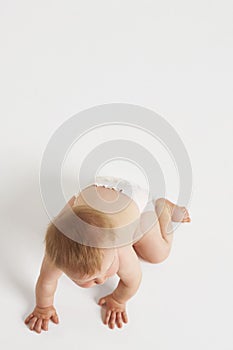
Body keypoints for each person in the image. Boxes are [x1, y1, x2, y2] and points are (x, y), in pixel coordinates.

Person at [24, 176, 191, 333]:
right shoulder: (56, 257)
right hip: (96, 191)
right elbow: (46, 282)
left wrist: (118, 300)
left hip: (134, 199)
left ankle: (163, 209)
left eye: (105, 271)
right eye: (89, 279)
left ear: (114, 247)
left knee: (158, 254)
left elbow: (133, 280)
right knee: (68, 222)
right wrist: (43, 307)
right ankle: (74, 210)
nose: (102, 280)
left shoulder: (120, 247)